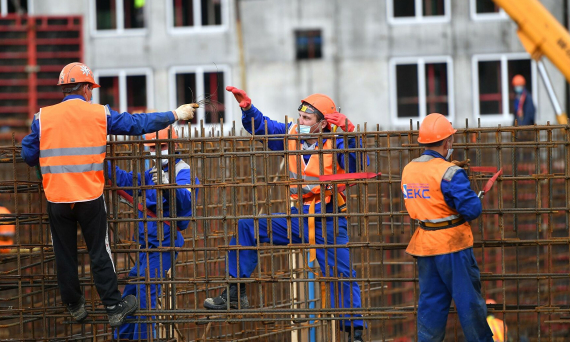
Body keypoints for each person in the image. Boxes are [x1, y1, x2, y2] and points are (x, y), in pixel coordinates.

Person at [20, 62, 196, 327]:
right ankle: (114, 307)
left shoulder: (43, 117)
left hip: (57, 198)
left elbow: (28, 155)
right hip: (89, 196)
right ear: (86, 88)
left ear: (63, 89)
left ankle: (74, 306)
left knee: (64, 253)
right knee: (100, 252)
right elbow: (137, 123)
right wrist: (174, 113)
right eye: (91, 88)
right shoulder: (99, 114)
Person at [203, 86, 368, 342]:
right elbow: (263, 127)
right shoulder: (291, 134)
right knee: (248, 226)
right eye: (300, 116)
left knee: (342, 274)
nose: (300, 122)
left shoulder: (337, 142)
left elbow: (357, 169)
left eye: (306, 119)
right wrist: (248, 108)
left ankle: (353, 331)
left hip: (328, 219)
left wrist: (351, 133)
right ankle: (235, 293)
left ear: (322, 123)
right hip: (298, 217)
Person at [401, 113, 493, 342]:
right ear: (447, 142)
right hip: (452, 246)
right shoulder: (451, 172)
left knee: (431, 306)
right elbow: (472, 210)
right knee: (469, 304)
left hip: (425, 246)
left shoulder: (409, 169)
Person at [110, 127, 199, 340]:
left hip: (164, 244)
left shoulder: (182, 171)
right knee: (130, 294)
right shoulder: (151, 173)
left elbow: (185, 201)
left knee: (145, 293)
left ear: (175, 146)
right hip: (147, 245)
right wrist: (100, 162)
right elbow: (127, 181)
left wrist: (167, 186)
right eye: (152, 147)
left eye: (163, 146)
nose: (157, 151)